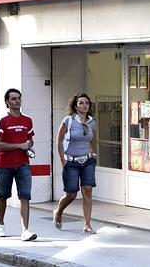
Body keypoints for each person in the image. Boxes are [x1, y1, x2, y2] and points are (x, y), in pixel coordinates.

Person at [0, 88, 37, 241]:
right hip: (5, 164)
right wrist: (19, 145)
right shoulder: (2, 120)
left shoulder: (27, 120)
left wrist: (28, 146)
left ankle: (25, 230)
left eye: (18, 98)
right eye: (13, 99)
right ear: (7, 102)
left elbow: (30, 140)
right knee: (2, 195)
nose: (17, 101)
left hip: (23, 164)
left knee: (25, 195)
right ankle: (1, 224)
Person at [53, 93, 98, 234]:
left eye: (86, 103)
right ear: (75, 106)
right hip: (71, 161)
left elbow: (92, 139)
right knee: (71, 194)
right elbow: (59, 140)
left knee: (88, 190)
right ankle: (58, 211)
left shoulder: (92, 122)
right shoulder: (69, 120)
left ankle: (87, 223)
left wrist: (93, 153)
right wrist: (62, 159)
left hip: (87, 161)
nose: (84, 105)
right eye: (81, 103)